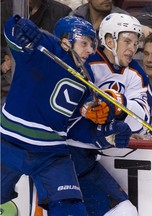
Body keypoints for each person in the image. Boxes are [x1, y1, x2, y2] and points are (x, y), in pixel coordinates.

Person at [1, 15, 131, 215]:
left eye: (93, 44)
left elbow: (74, 125)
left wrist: (106, 134)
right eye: (85, 43)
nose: (91, 50)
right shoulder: (42, 49)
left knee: (71, 209)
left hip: (50, 152)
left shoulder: (85, 76)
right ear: (64, 40)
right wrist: (17, 26)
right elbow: (12, 33)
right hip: (8, 142)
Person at [67, 13, 149, 215]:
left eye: (136, 42)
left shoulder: (136, 72)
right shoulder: (86, 61)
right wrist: (87, 109)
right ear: (109, 40)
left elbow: (142, 120)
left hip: (88, 157)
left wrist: (119, 105)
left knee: (124, 211)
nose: (132, 48)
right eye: (127, 41)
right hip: (63, 153)